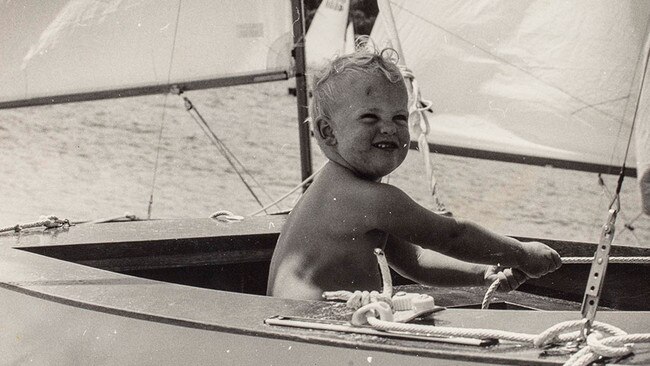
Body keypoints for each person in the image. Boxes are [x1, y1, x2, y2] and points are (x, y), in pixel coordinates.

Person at [267, 47, 561, 301]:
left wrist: (484, 272)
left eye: (399, 117)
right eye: (370, 117)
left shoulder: (349, 192)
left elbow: (416, 261)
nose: (388, 127)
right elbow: (452, 235)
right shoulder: (369, 199)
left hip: (296, 323)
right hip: (305, 323)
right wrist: (521, 253)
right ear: (327, 132)